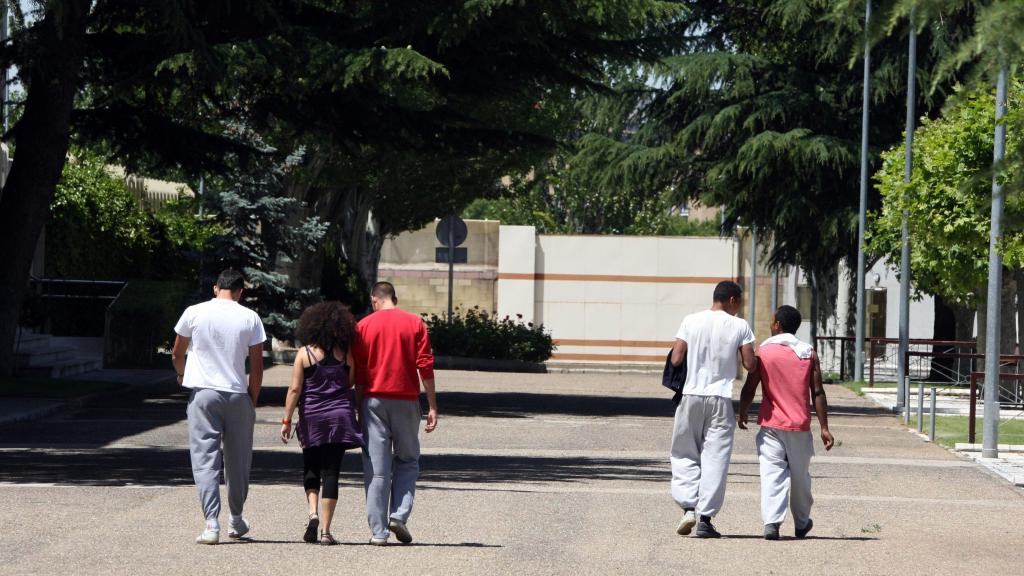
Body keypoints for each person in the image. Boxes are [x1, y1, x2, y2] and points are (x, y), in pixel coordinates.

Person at [172, 268, 266, 545]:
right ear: (240, 292)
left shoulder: (195, 312)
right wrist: (253, 398)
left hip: (203, 392)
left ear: (216, 288)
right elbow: (257, 367)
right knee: (238, 460)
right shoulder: (250, 317)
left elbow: (178, 352)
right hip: (237, 393)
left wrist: (181, 373)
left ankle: (211, 523)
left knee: (205, 459)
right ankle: (236, 519)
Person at [738, 305, 835, 540]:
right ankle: (801, 523)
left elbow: (751, 386)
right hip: (799, 427)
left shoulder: (764, 352)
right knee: (800, 477)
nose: (771, 324)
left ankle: (772, 522)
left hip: (771, 426)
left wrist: (742, 411)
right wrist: (824, 427)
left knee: (772, 474)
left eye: (772, 321)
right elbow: (818, 392)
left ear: (778, 325)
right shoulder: (808, 352)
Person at [352, 281, 438, 546]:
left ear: (374, 299)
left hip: (373, 400)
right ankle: (399, 515)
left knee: (377, 470)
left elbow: (359, 372)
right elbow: (425, 365)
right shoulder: (415, 324)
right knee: (408, 460)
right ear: (394, 298)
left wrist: (358, 407)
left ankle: (378, 533)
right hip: (406, 400)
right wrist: (433, 405)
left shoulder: (363, 326)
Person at [669, 280, 756, 538]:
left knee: (684, 452)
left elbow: (676, 358)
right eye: (738, 302)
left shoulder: (691, 320)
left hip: (691, 396)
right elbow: (750, 364)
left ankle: (687, 508)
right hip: (720, 398)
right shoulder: (740, 325)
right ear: (731, 300)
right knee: (716, 457)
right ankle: (705, 518)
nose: (738, 308)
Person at [280, 301, 365, 545]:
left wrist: (287, 420)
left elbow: (295, 388)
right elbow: (350, 382)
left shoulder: (304, 353)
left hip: (312, 418)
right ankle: (326, 532)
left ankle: (313, 513)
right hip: (339, 418)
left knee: (311, 467)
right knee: (332, 472)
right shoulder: (345, 353)